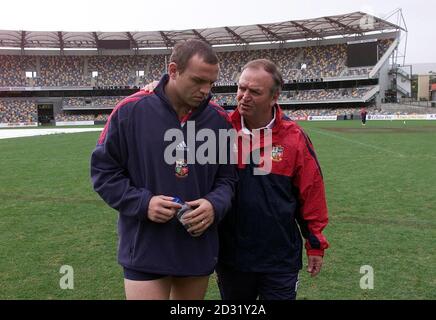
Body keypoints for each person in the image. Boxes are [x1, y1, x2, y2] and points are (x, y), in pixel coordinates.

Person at [90, 39, 237, 300]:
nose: (206, 90)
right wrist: (143, 203)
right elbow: (104, 173)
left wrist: (214, 204)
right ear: (173, 70)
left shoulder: (219, 120)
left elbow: (227, 179)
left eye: (211, 83)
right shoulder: (130, 111)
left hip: (196, 245)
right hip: (146, 245)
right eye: (197, 81)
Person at [216, 59, 329, 300]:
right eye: (241, 88)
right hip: (232, 259)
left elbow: (312, 194)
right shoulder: (221, 130)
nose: (244, 96)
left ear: (274, 96)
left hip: (279, 260)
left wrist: (315, 243)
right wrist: (156, 88)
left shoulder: (295, 138)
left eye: (254, 91)